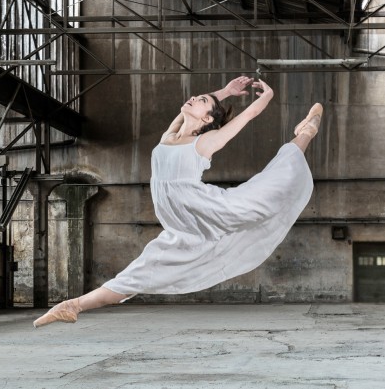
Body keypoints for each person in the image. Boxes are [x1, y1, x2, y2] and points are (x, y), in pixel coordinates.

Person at [33, 76, 322, 328]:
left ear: (207, 120)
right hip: (181, 225)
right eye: (196, 96)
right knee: (142, 271)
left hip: (210, 209)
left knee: (270, 188)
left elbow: (246, 118)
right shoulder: (168, 137)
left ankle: (305, 133)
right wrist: (223, 92)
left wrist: (268, 96)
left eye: (201, 101)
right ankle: (73, 306)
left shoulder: (205, 143)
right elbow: (186, 113)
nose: (194, 98)